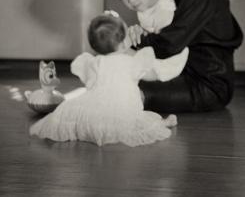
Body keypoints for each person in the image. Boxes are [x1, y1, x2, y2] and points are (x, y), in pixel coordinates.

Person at [29, 11, 188, 147]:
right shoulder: (131, 61)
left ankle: (95, 127)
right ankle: (164, 123)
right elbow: (153, 75)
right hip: (124, 109)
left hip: (97, 108)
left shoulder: (95, 62)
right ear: (123, 43)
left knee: (80, 115)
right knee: (140, 121)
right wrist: (178, 60)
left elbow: (90, 84)